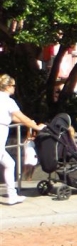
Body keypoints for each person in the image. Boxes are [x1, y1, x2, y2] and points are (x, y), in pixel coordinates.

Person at [0, 74, 46, 205]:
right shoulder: (9, 101)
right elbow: (21, 116)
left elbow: (12, 117)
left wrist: (28, 123)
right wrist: (36, 126)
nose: (14, 88)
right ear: (8, 87)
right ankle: (12, 195)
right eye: (13, 86)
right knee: (9, 163)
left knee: (10, 164)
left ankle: (12, 195)